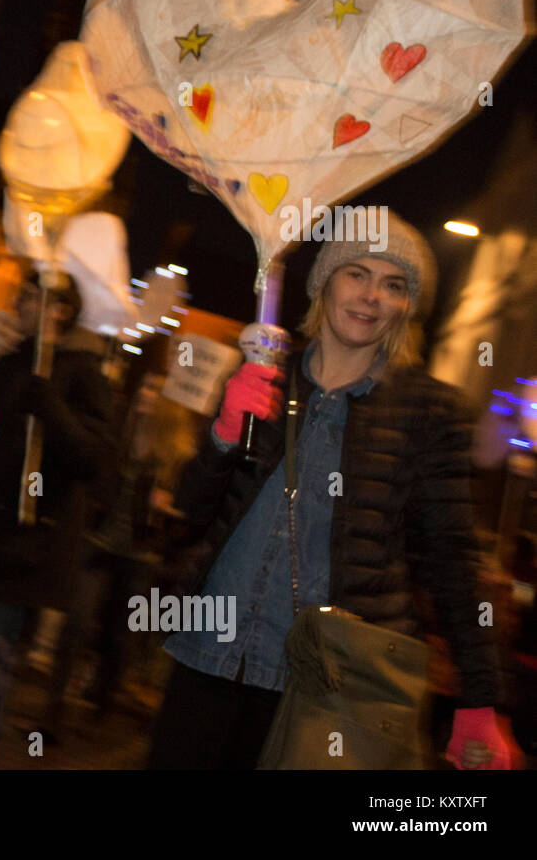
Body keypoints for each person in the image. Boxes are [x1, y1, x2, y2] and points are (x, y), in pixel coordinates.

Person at [148, 212, 513, 770]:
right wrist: (224, 432)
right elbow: (192, 511)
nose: (371, 297)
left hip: (321, 688)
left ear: (408, 305)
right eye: (357, 274)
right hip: (208, 657)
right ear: (325, 282)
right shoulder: (264, 374)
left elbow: (451, 560)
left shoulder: (429, 411)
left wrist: (480, 698)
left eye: (394, 285)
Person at [0, 270, 116, 766]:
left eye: (29, 298)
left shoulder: (82, 373)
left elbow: (94, 457)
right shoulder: (8, 365)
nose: (19, 304)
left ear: (58, 310)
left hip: (28, 541)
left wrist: (51, 407)